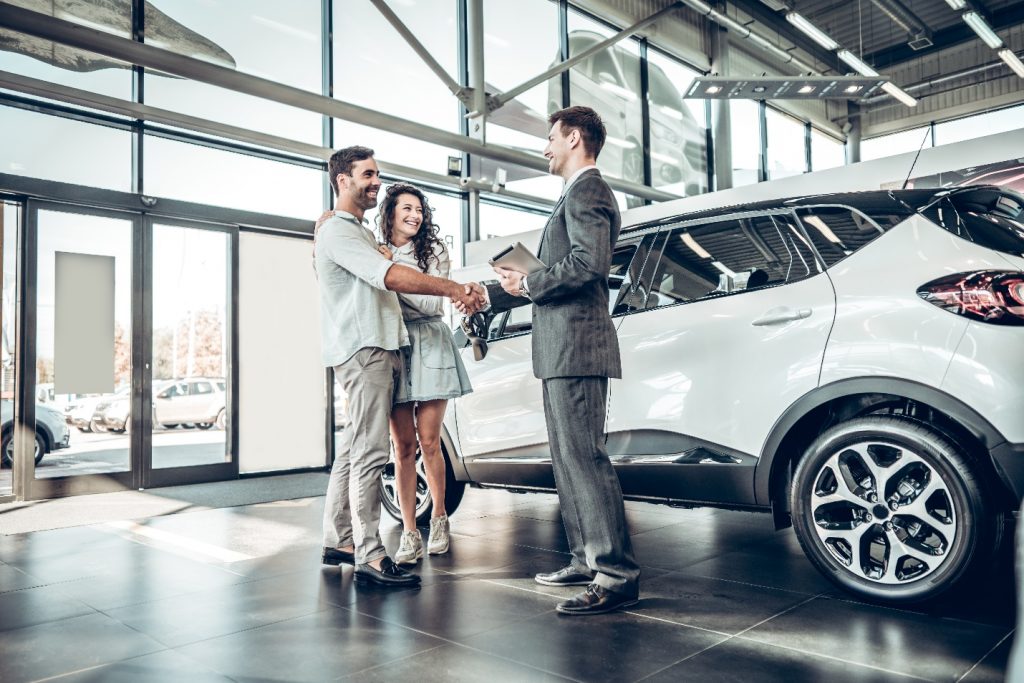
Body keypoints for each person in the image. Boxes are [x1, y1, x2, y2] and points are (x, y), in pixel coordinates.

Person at [456, 106, 640, 615]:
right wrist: (501, 290)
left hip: (577, 347)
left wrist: (531, 281)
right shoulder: (573, 196)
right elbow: (557, 271)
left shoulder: (589, 191)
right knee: (568, 461)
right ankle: (585, 559)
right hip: (560, 349)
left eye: (551, 138)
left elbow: (587, 264)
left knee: (585, 459)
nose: (545, 148)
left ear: (574, 138)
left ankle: (616, 574)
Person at [316, 146, 484, 588]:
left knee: (355, 449)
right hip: (367, 350)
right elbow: (387, 276)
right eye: (367, 175)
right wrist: (452, 288)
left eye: (377, 175)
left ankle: (340, 540)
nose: (375, 182)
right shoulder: (341, 232)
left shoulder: (350, 231)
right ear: (342, 181)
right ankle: (371, 555)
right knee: (374, 452)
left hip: (380, 348)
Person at [373, 183, 472, 564]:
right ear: (391, 213)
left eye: (419, 209)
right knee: (402, 447)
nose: (414, 215)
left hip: (430, 342)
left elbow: (432, 301)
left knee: (430, 442)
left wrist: (393, 273)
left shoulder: (435, 250)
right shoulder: (377, 250)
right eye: (406, 209)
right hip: (395, 344)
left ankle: (441, 518)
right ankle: (410, 532)